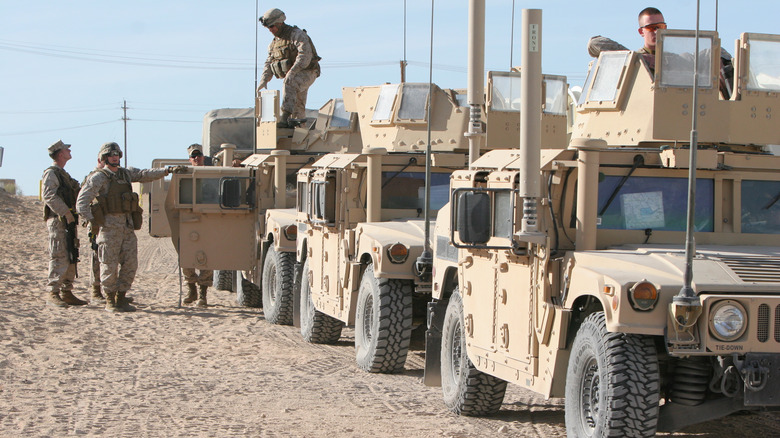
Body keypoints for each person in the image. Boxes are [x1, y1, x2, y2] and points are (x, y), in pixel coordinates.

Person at [76, 142, 186, 312]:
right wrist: (93, 221)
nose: (115, 157)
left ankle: (121, 296)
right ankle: (110, 299)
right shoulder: (99, 177)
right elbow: (81, 203)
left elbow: (144, 174)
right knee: (108, 265)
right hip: (108, 229)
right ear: (105, 158)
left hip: (126, 229)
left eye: (117, 154)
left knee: (130, 264)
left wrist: (167, 171)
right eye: (111, 155)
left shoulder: (125, 174)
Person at [587, 7, 733, 97]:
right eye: (652, 28)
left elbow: (718, 52)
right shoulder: (634, 62)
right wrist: (639, 59)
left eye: (661, 26)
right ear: (641, 31)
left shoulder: (677, 60)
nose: (657, 31)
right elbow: (594, 43)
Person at [42, 140, 88, 308]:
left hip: (68, 221)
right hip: (59, 220)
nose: (69, 151)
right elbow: (49, 196)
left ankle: (66, 292)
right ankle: (53, 292)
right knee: (59, 254)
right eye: (66, 150)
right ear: (60, 154)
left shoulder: (63, 174)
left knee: (71, 253)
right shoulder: (51, 173)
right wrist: (66, 213)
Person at [258, 8, 321, 128]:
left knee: (290, 83)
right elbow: (269, 62)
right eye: (268, 28)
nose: (271, 30)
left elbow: (305, 56)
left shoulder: (297, 35)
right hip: (295, 75)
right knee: (298, 107)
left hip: (308, 71)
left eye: (272, 27)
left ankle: (284, 117)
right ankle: (299, 134)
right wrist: (264, 79)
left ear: (279, 23)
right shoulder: (274, 43)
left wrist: (292, 72)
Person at [181, 144, 213, 307]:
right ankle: (191, 290)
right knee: (186, 257)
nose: (196, 158)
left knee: (207, 257)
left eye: (198, 155)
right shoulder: (184, 175)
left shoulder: (212, 173)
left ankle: (203, 295)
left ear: (203, 157)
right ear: (189, 159)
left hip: (207, 220)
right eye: (193, 156)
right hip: (188, 220)